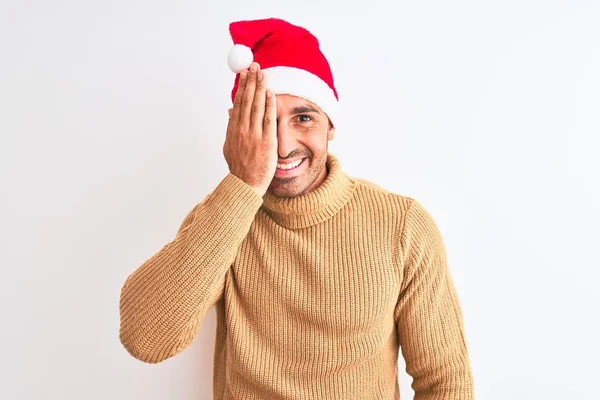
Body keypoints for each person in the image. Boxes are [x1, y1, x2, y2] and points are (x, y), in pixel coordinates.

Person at [118, 17, 475, 400]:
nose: (283, 146)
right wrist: (244, 185)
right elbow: (146, 340)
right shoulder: (224, 218)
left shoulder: (402, 225)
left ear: (330, 125)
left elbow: (445, 380)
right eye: (264, 122)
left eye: (303, 118)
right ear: (240, 129)